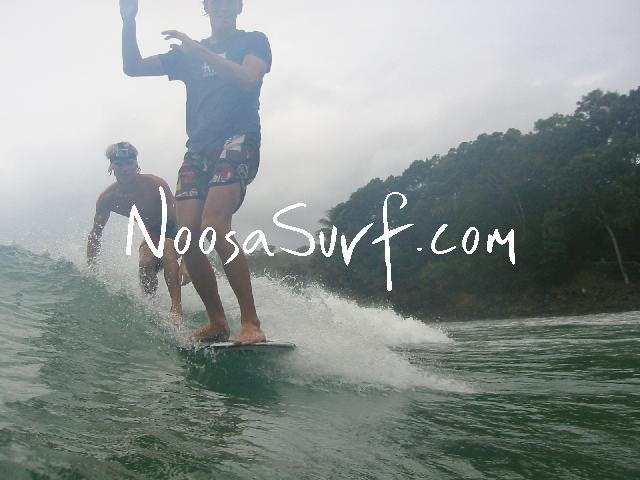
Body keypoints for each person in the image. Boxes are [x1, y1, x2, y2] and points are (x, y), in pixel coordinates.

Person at [119, 0, 271, 344]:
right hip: (199, 150)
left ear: (239, 8)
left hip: (239, 139)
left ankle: (251, 323)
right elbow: (133, 67)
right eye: (216, 3)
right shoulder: (187, 54)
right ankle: (218, 322)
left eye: (230, 3)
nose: (223, 8)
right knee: (186, 236)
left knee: (214, 225)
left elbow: (248, 79)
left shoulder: (253, 41)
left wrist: (200, 50)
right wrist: (129, 22)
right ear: (207, 8)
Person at [87, 141, 189, 319]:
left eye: (129, 163)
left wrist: (187, 262)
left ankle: (176, 311)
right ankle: (151, 307)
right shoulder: (108, 198)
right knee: (145, 262)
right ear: (111, 166)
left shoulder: (155, 185)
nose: (125, 169)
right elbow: (95, 234)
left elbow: (183, 220)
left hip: (181, 231)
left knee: (166, 248)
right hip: (154, 234)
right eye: (119, 164)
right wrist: (91, 269)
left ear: (136, 164)